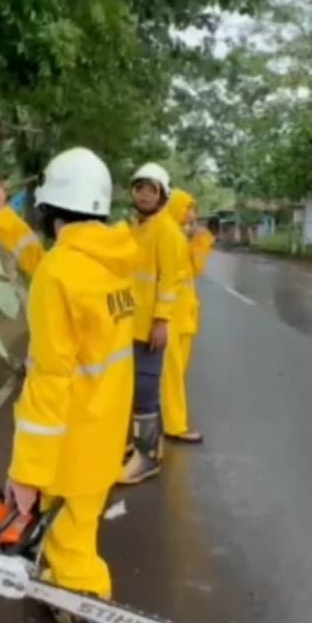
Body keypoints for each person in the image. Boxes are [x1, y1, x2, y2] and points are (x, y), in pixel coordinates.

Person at [0, 147, 139, 623]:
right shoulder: (112, 259)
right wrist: (2, 218)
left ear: (49, 210)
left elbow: (49, 382)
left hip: (72, 444)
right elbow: (46, 264)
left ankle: (87, 611)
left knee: (71, 550)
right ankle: (76, 595)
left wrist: (26, 473)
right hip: (107, 430)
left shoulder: (61, 271)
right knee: (80, 531)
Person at [119, 162, 191, 486]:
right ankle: (136, 448)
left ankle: (148, 457)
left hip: (151, 327)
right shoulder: (136, 229)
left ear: (163, 194)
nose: (145, 195)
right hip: (129, 325)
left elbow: (170, 281)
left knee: (146, 389)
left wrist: (161, 320)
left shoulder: (167, 231)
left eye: (152, 189)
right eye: (140, 188)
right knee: (131, 390)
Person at [159, 189, 215, 444]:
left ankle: (165, 418)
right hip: (171, 318)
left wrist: (197, 241)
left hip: (181, 316)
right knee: (172, 376)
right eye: (189, 208)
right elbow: (188, 271)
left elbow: (192, 271)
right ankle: (176, 425)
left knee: (175, 374)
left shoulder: (178, 235)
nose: (193, 214)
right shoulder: (170, 235)